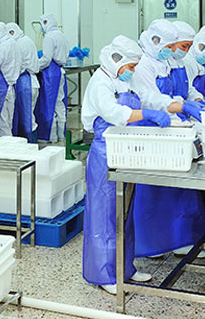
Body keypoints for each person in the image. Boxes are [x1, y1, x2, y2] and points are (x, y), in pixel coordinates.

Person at [82, 35, 173, 295]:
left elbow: (145, 97)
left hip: (125, 150)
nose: (132, 71)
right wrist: (147, 115)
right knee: (104, 215)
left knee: (124, 213)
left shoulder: (124, 79)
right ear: (116, 60)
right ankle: (103, 274)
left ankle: (124, 268)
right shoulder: (100, 82)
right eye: (130, 66)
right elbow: (114, 113)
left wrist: (169, 108)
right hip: (104, 152)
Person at [130, 25, 205, 260]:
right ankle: (152, 244)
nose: (172, 50)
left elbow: (171, 93)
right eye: (170, 46)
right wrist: (181, 107)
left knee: (177, 186)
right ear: (156, 41)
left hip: (166, 126)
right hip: (150, 127)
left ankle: (180, 239)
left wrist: (185, 105)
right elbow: (150, 99)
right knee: (153, 190)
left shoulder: (162, 61)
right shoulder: (143, 64)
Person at [36, 13, 68, 141]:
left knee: (49, 105)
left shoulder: (49, 37)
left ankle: (51, 136)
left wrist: (35, 65)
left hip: (50, 73)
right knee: (60, 104)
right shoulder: (61, 35)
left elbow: (46, 59)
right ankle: (61, 135)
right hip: (60, 71)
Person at [0, 22, 21, 138]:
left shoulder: (0, 48)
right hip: (11, 86)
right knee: (8, 121)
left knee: (2, 124)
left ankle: (7, 147)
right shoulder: (14, 44)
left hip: (2, 87)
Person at [7, 23, 39, 143]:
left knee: (27, 118)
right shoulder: (26, 40)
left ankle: (31, 144)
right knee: (28, 116)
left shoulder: (21, 43)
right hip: (31, 82)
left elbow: (18, 64)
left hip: (27, 83)